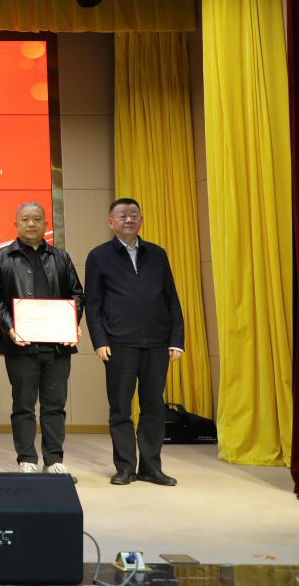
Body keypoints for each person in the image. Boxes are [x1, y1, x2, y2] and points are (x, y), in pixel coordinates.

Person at [85, 198, 185, 487]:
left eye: (134, 215)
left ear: (141, 219)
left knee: (154, 407)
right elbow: (93, 303)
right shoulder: (99, 256)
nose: (129, 220)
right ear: (110, 222)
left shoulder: (157, 254)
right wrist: (99, 340)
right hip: (118, 343)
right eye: (122, 216)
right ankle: (126, 467)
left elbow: (171, 298)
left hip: (157, 342)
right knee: (120, 408)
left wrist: (176, 338)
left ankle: (151, 468)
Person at [0, 202, 83, 482]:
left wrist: (71, 324)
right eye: (26, 219)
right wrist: (10, 328)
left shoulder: (61, 257)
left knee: (55, 405)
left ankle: (54, 460)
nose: (31, 224)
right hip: (20, 345)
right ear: (15, 224)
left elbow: (77, 295)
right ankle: (27, 459)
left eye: (37, 219)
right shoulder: (3, 257)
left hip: (58, 346)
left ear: (46, 224)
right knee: (23, 405)